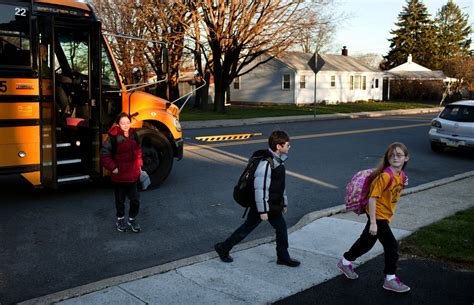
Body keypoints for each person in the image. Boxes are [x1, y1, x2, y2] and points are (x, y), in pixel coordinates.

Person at [214, 130, 301, 267]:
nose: (289, 147)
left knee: (281, 230)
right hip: (262, 205)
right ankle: (223, 247)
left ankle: (283, 257)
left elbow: (280, 186)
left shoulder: (279, 161)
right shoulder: (266, 164)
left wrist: (284, 202)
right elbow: (260, 189)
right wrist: (263, 211)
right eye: (287, 145)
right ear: (279, 146)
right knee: (246, 228)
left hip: (272, 205)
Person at [337, 142, 410, 293]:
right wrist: (373, 223)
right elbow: (372, 199)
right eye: (392, 155)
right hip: (378, 216)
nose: (395, 158)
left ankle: (345, 262)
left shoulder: (401, 176)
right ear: (387, 158)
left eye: (399, 155)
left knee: (366, 243)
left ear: (406, 158)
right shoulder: (384, 176)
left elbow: (394, 189)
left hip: (384, 215)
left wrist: (402, 180)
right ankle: (390, 279)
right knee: (392, 246)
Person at [100, 112, 143, 233]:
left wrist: (139, 166)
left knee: (135, 199)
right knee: (120, 200)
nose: (126, 125)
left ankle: (132, 219)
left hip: (133, 175)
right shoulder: (113, 137)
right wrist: (113, 168)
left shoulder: (134, 134)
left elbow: (138, 151)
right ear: (118, 124)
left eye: (128, 122)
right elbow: (104, 155)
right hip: (119, 176)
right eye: (123, 123)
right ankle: (120, 219)